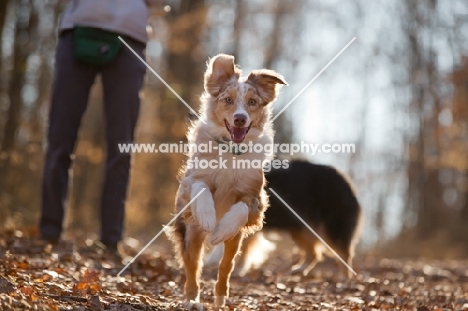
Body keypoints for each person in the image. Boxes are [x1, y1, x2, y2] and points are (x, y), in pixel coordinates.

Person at [40, 0, 159, 253]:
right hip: (78, 29)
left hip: (130, 37)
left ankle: (110, 240)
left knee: (121, 146)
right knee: (60, 138)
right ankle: (49, 234)